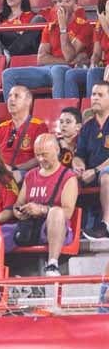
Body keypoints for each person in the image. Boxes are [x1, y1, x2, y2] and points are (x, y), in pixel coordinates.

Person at [3, 134, 77, 276]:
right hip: (28, 226)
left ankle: (52, 264)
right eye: (37, 155)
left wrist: (42, 210)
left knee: (56, 212)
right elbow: (18, 203)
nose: (40, 159)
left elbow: (67, 212)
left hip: (54, 228)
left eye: (44, 155)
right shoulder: (30, 175)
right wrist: (18, 211)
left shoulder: (68, 176)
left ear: (56, 150)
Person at [2, 0, 93, 100]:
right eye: (59, 1)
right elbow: (41, 59)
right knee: (8, 74)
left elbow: (69, 55)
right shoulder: (49, 27)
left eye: (67, 1)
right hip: (47, 69)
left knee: (58, 69)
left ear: (75, 7)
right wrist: (69, 60)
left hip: (69, 70)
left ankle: (59, 113)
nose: (62, 4)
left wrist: (63, 27)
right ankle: (12, 116)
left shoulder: (84, 26)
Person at [75, 82, 109, 238]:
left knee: (106, 176)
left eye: (100, 95)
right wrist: (79, 166)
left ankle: (106, 224)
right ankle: (71, 228)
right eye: (93, 94)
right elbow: (79, 154)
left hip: (102, 173)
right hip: (90, 173)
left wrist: (95, 171)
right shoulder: (87, 127)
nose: (95, 98)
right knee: (66, 177)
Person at [0, 85, 45, 177]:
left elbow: (40, 158)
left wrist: (15, 168)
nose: (11, 99)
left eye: (17, 96)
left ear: (28, 101)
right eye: (9, 96)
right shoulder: (0, 128)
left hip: (25, 173)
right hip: (0, 173)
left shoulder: (39, 126)